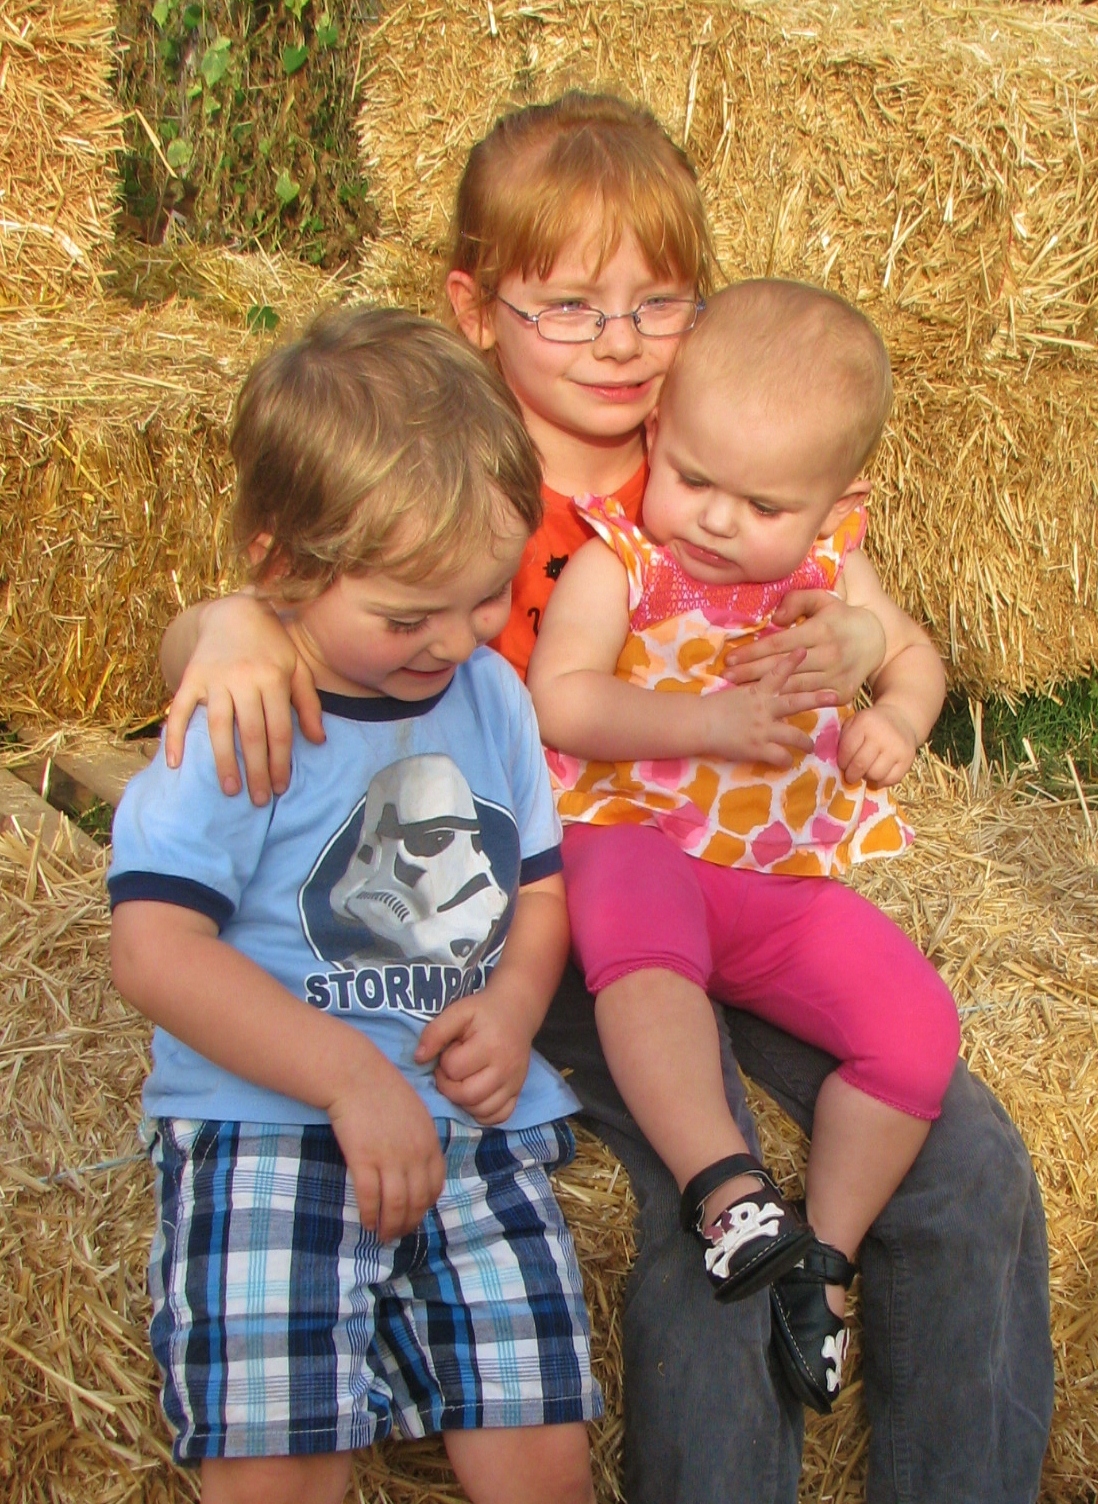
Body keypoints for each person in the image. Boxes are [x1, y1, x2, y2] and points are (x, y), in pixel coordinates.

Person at [157, 93, 1053, 1504]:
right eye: (570, 308)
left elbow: (877, 619)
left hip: (741, 888)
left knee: (968, 1154)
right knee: (706, 1192)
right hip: (551, 915)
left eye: (657, 305)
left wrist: (860, 648)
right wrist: (214, 628)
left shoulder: (725, 462)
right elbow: (282, 606)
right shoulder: (449, 473)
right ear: (478, 310)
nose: (620, 342)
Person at [108, 307, 602, 1504]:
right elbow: (155, 950)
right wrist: (346, 1077)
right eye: (406, 615)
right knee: (274, 1459)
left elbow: (539, 889)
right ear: (281, 567)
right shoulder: (244, 715)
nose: (457, 639)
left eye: (485, 597)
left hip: (470, 1126)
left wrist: (516, 1003)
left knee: (542, 1449)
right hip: (267, 1125)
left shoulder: (491, 696)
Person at [525, 279, 961, 1411]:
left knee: (918, 1033)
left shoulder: (831, 577)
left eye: (762, 503)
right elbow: (559, 698)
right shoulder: (623, 560)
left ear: (837, 504)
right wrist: (706, 725)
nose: (716, 519)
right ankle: (725, 1190)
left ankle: (824, 1254)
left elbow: (916, 660)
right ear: (655, 439)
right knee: (643, 957)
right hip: (639, 845)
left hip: (779, 882)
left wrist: (895, 713)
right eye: (694, 477)